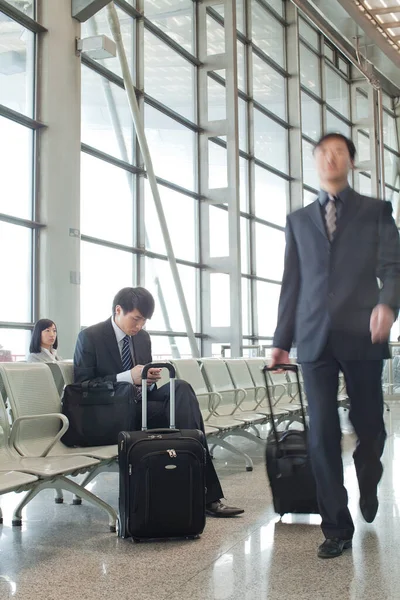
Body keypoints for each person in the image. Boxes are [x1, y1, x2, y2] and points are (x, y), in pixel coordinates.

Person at [271, 133, 400, 559]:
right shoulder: (298, 220)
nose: (330, 157)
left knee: (371, 430)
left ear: (351, 160)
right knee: (321, 434)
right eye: (323, 152)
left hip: (364, 333)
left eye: (338, 151)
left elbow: (393, 266)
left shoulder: (376, 211)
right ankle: (336, 527)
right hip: (314, 340)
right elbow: (292, 284)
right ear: (315, 161)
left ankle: (368, 478)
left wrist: (387, 305)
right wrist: (280, 341)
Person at [74, 286, 244, 518]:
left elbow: (145, 377)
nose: (139, 326)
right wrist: (127, 377)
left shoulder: (142, 338)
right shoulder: (90, 337)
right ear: (118, 310)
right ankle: (204, 495)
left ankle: (200, 490)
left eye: (144, 321)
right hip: (110, 415)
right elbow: (83, 386)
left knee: (180, 389)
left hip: (140, 406)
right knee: (183, 416)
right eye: (135, 319)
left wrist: (149, 380)